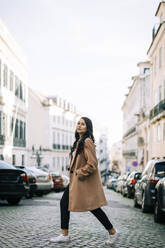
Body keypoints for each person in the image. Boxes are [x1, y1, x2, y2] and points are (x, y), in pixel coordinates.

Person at [50, 117, 119, 245]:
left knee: (94, 208)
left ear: (88, 127)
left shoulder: (87, 141)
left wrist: (79, 172)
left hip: (82, 181)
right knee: (64, 203)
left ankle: (113, 232)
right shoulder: (79, 141)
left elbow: (93, 163)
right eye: (78, 123)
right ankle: (64, 234)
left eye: (83, 124)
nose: (79, 125)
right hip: (76, 182)